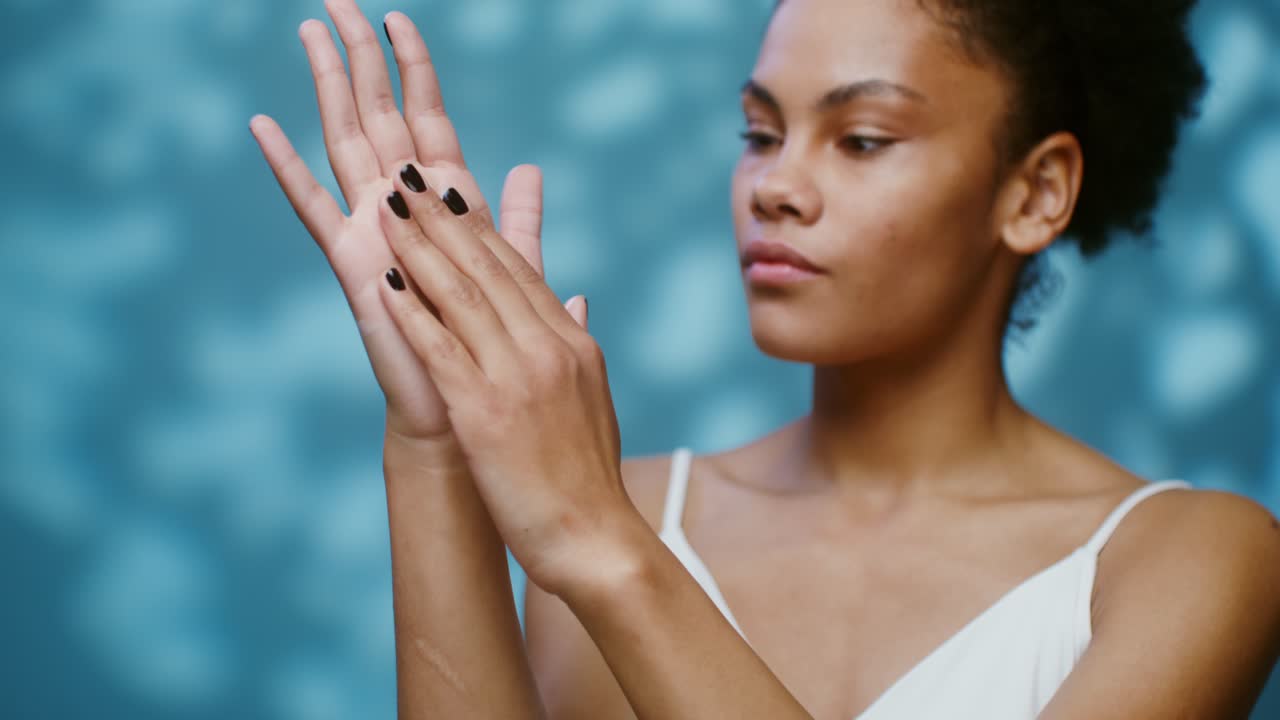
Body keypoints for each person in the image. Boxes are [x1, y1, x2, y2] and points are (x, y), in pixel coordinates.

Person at [249, 0, 1280, 717]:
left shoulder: (1186, 561)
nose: (774, 187)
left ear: (1034, 192)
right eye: (758, 132)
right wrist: (432, 443)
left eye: (861, 139)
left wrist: (604, 546)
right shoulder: (625, 512)